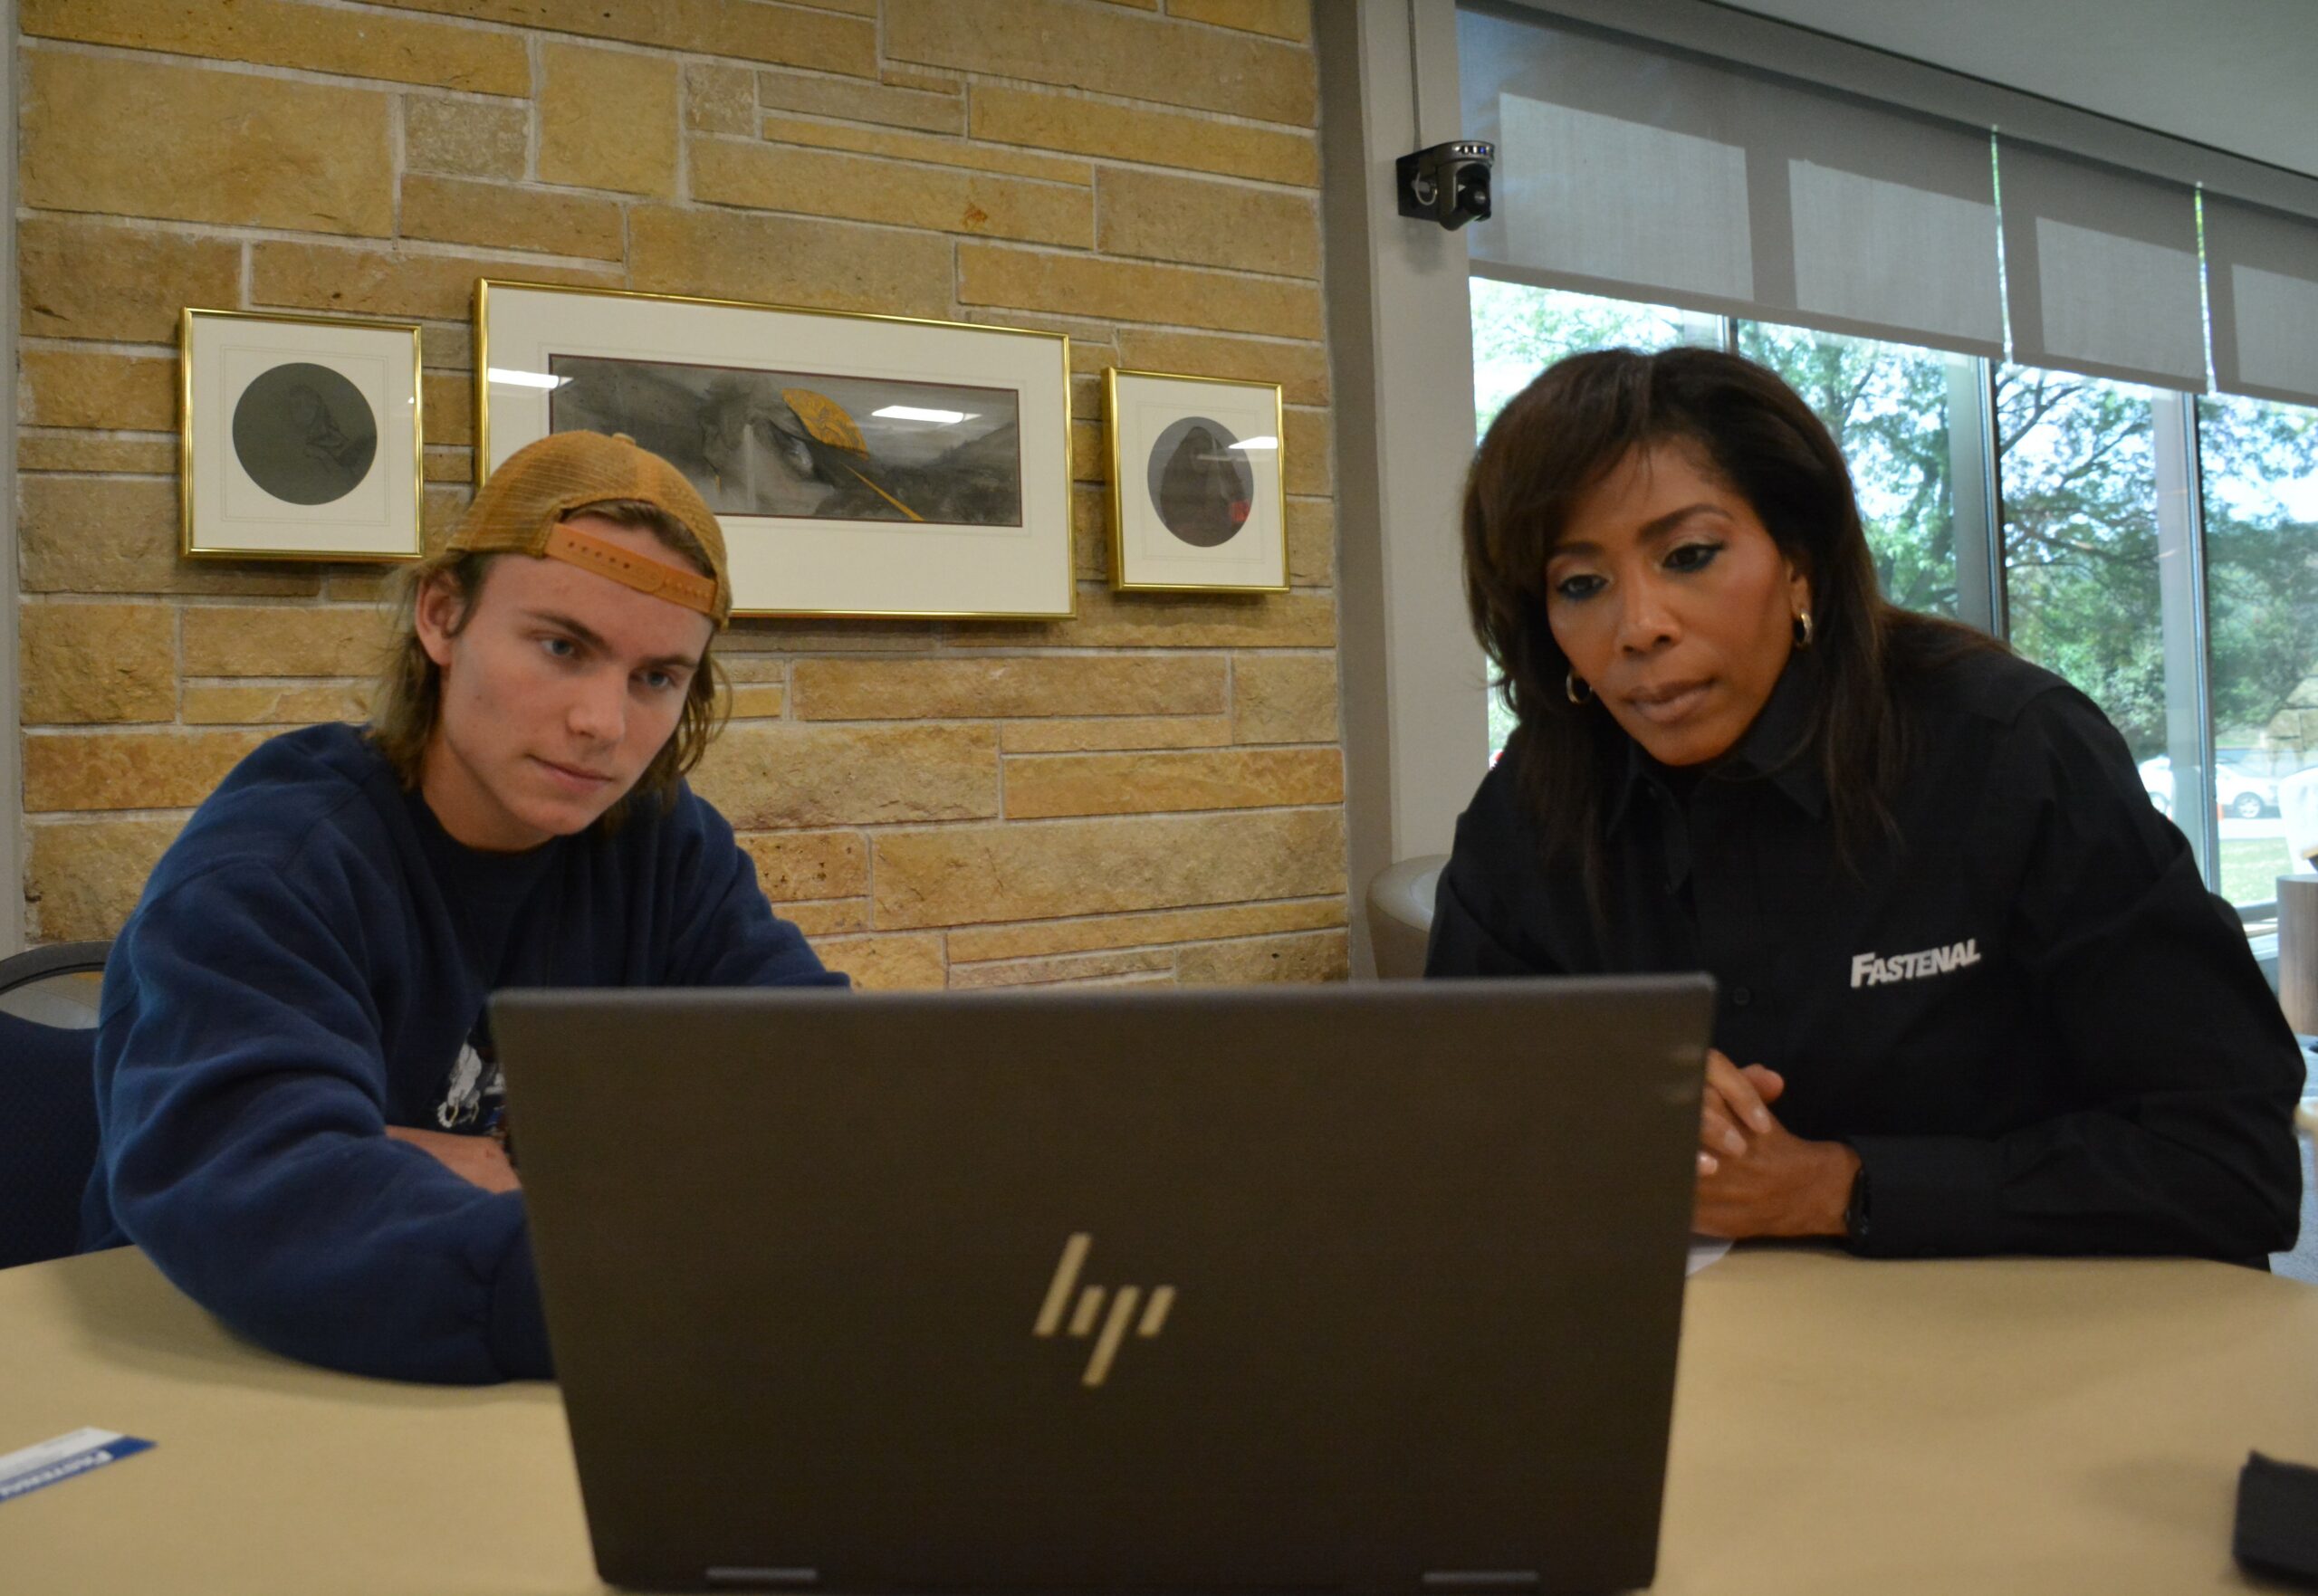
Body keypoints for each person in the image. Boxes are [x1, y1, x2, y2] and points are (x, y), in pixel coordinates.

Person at [1428, 348, 2303, 1262]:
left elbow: (2232, 1160)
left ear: (1798, 562)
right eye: (1580, 584)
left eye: (1689, 556)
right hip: (1702, 1337)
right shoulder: (1533, 804)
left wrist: (1832, 1186)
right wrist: (1595, 1089)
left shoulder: (2009, 750)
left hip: (2043, 1328)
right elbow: (1446, 1128)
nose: (1639, 626)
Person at [82, 431, 847, 1383]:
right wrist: (601, 1270)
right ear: (442, 617)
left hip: (535, 1367)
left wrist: (425, 1157)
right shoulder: (276, 864)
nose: (603, 724)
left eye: (656, 677)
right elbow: (257, 1183)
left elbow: (823, 1093)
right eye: (562, 647)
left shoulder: (663, 845)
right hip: (219, 1368)